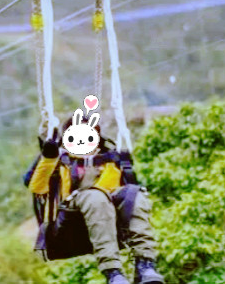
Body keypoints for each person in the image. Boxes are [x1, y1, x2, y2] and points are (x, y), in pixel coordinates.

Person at [25, 112, 164, 284]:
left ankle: (145, 263)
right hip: (70, 213)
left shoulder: (109, 159)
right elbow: (37, 187)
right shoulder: (58, 161)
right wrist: (48, 159)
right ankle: (113, 272)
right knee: (94, 196)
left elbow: (116, 189)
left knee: (135, 194)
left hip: (105, 208)